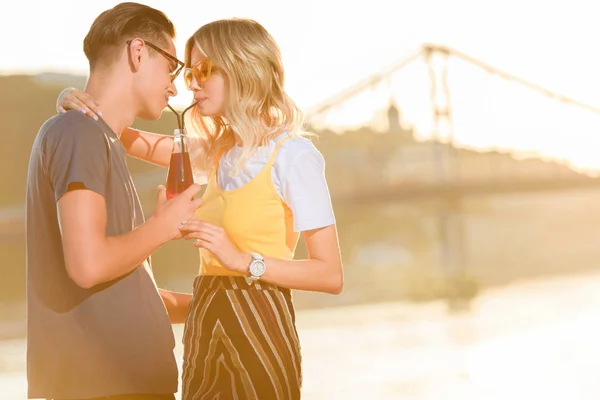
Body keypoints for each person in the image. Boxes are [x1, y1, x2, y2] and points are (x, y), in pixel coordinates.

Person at [58, 17, 344, 400]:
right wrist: (74, 103)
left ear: (242, 66)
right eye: (189, 72)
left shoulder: (293, 155)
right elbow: (126, 136)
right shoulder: (216, 152)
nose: (190, 83)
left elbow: (330, 274)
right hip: (204, 317)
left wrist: (243, 261)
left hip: (262, 317)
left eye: (203, 70)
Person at [26, 3, 202, 400]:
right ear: (138, 52)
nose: (176, 86)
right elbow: (89, 266)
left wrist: (219, 304)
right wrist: (162, 227)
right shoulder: (79, 133)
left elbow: (124, 290)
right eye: (172, 68)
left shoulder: (97, 138)